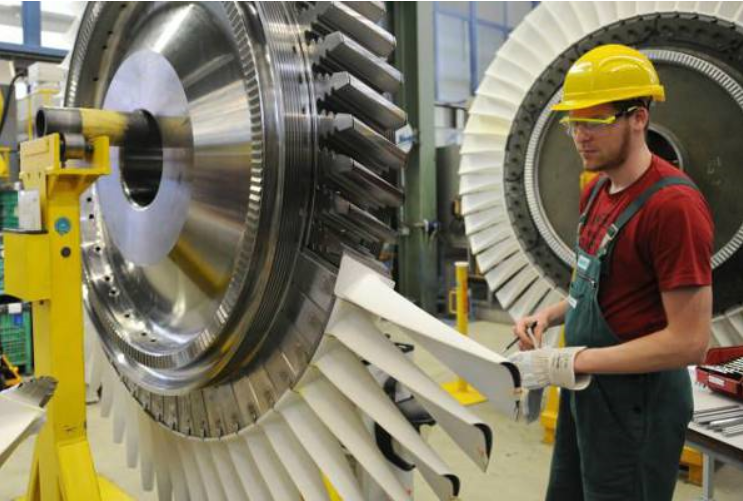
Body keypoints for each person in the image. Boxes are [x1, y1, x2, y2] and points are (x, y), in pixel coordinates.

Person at [508, 44, 714, 501]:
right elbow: (599, 288)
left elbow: (689, 341)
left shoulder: (673, 207)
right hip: (586, 393)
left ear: (638, 117)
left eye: (595, 121)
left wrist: (570, 361)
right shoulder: (597, 191)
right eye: (573, 122)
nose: (580, 136)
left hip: (637, 409)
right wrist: (549, 316)